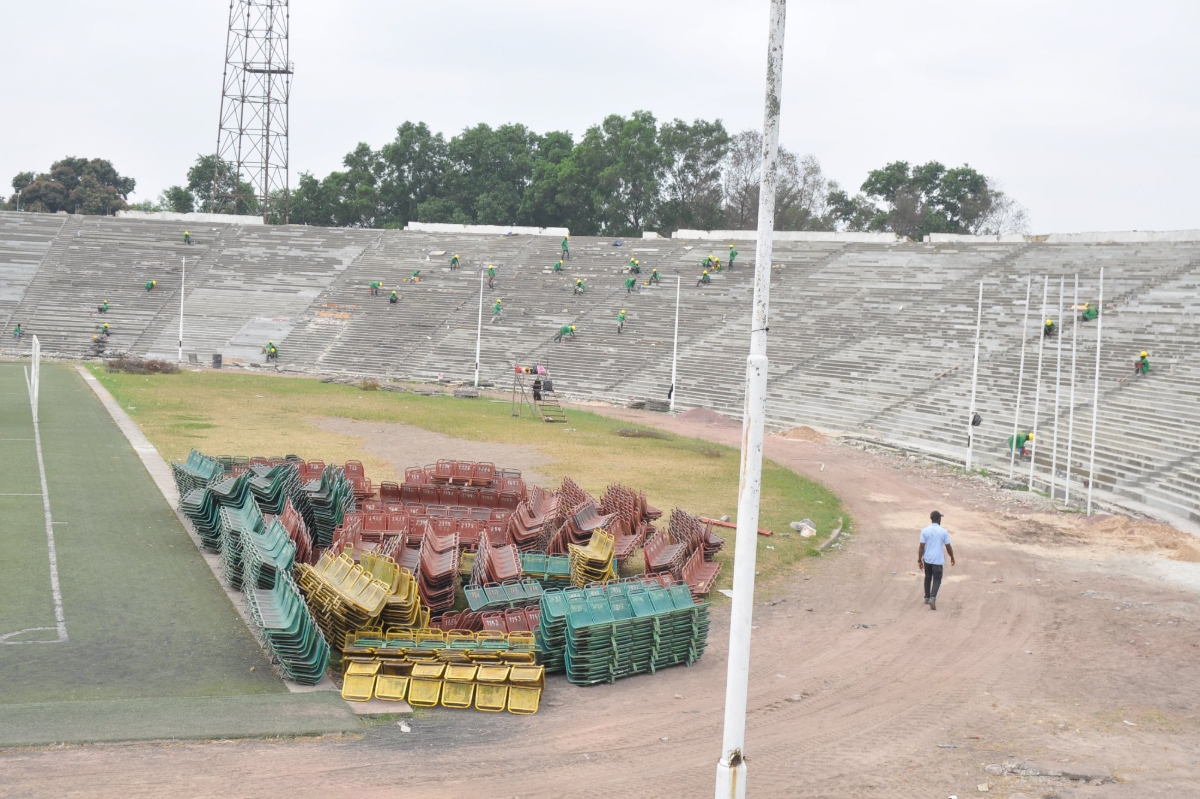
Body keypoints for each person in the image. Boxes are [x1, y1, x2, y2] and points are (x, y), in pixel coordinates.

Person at [918, 510, 955, 611]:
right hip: (937, 560)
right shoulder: (943, 531)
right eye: (940, 518)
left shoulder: (924, 531)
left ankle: (927, 597)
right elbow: (948, 546)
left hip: (927, 558)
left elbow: (921, 547)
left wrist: (919, 560)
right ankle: (932, 597)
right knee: (937, 579)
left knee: (928, 577)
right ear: (938, 519)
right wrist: (952, 557)